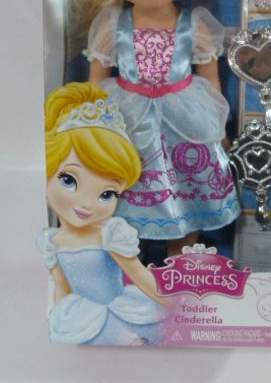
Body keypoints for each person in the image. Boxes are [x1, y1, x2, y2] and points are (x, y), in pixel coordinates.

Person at [65, 0, 240, 256]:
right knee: (125, 203)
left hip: (186, 120)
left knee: (187, 199)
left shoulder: (196, 28)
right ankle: (131, 266)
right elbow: (93, 86)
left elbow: (211, 85)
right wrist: (88, 131)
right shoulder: (111, 28)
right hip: (127, 120)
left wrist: (218, 131)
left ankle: (182, 262)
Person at [37, 81, 167, 345]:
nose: (86, 204)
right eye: (69, 180)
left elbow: (141, 277)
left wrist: (176, 305)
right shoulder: (51, 241)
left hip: (118, 316)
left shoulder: (109, 233)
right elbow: (61, 289)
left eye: (107, 194)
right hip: (79, 320)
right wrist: (61, 321)